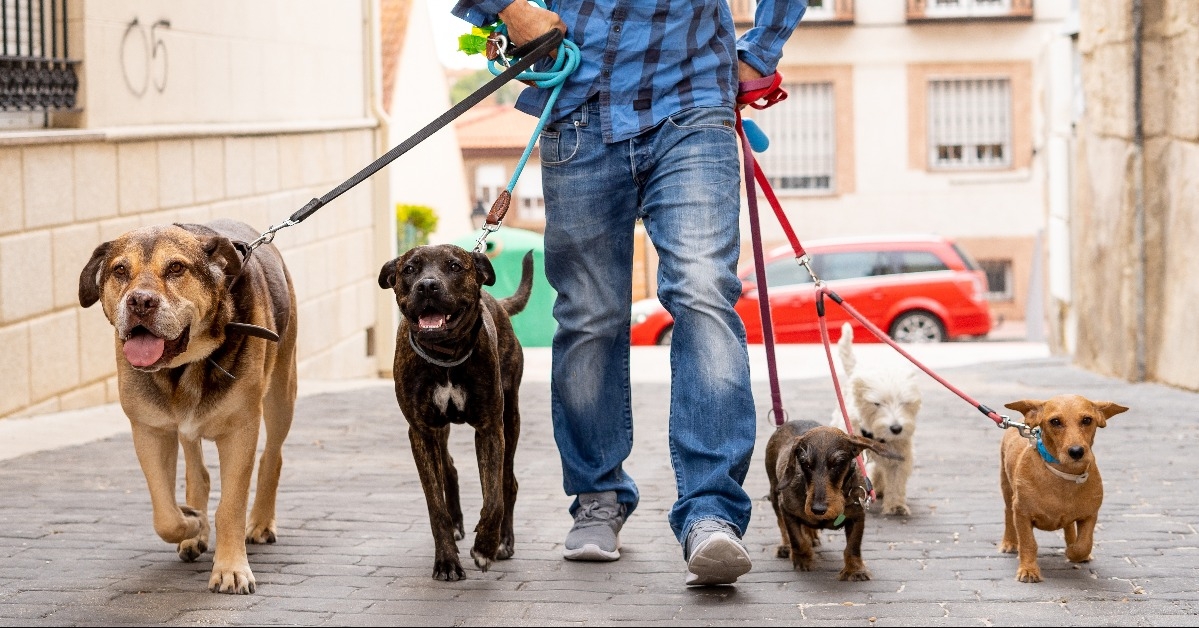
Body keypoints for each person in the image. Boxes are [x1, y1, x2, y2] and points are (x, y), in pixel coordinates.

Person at [451, 0, 807, 586]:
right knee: (590, 314)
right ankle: (598, 496)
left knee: (702, 292)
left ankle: (711, 512)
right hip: (581, 110)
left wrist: (761, 50)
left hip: (692, 104)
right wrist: (510, 7)